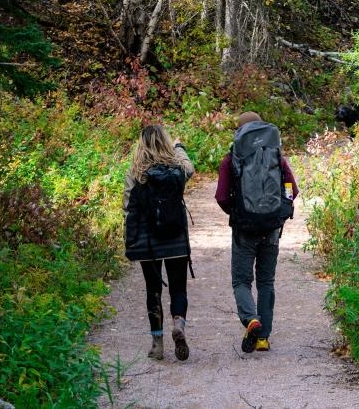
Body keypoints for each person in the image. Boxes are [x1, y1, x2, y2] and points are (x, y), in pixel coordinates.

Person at [215, 111, 299, 353]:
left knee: (241, 280)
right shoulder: (276, 156)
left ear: (239, 133)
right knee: (266, 281)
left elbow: (221, 196)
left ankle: (251, 318)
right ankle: (263, 338)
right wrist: (279, 211)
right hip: (272, 227)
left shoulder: (231, 159)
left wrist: (238, 212)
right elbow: (292, 190)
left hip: (244, 229)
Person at [123, 124, 195, 361]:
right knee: (178, 288)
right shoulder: (177, 168)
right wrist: (179, 148)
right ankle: (179, 325)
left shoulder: (136, 173)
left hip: (148, 243)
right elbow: (190, 168)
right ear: (165, 142)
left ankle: (157, 344)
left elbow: (127, 208)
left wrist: (131, 240)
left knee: (152, 290)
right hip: (175, 237)